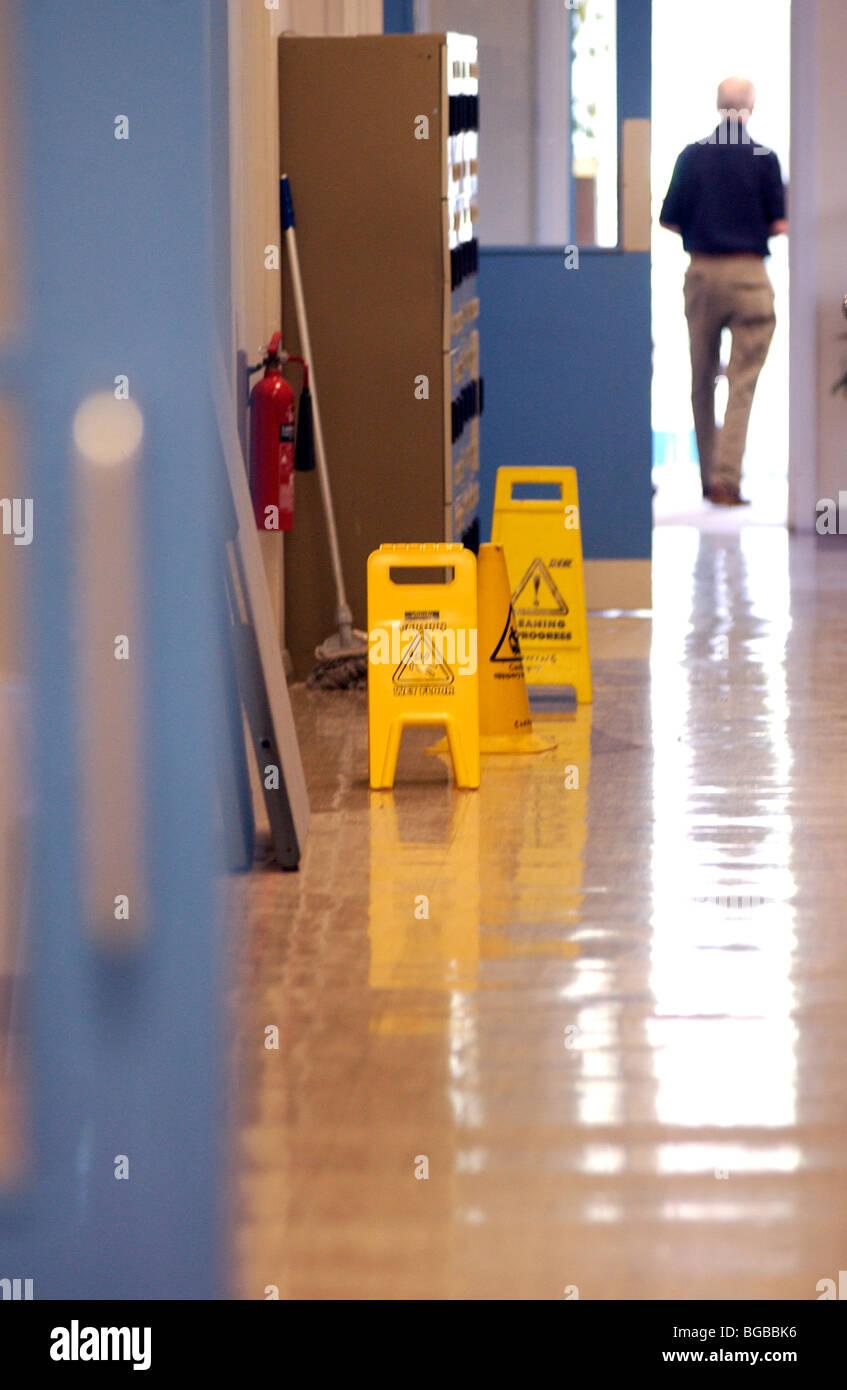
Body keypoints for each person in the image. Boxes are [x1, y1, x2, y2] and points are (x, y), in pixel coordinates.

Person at [659, 77, 788, 506]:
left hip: (702, 275)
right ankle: (727, 481)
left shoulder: (691, 156)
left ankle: (706, 475)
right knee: (742, 381)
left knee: (701, 379)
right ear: (751, 106)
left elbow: (669, 220)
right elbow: (780, 224)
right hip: (749, 275)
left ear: (717, 106)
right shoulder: (764, 158)